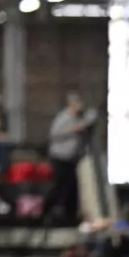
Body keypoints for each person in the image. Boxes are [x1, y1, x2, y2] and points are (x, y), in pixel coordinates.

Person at [45, 93, 98, 223]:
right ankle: (48, 208)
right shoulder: (64, 118)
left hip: (73, 158)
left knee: (73, 187)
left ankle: (71, 213)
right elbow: (54, 134)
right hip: (60, 156)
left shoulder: (82, 118)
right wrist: (73, 130)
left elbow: (92, 119)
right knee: (60, 184)